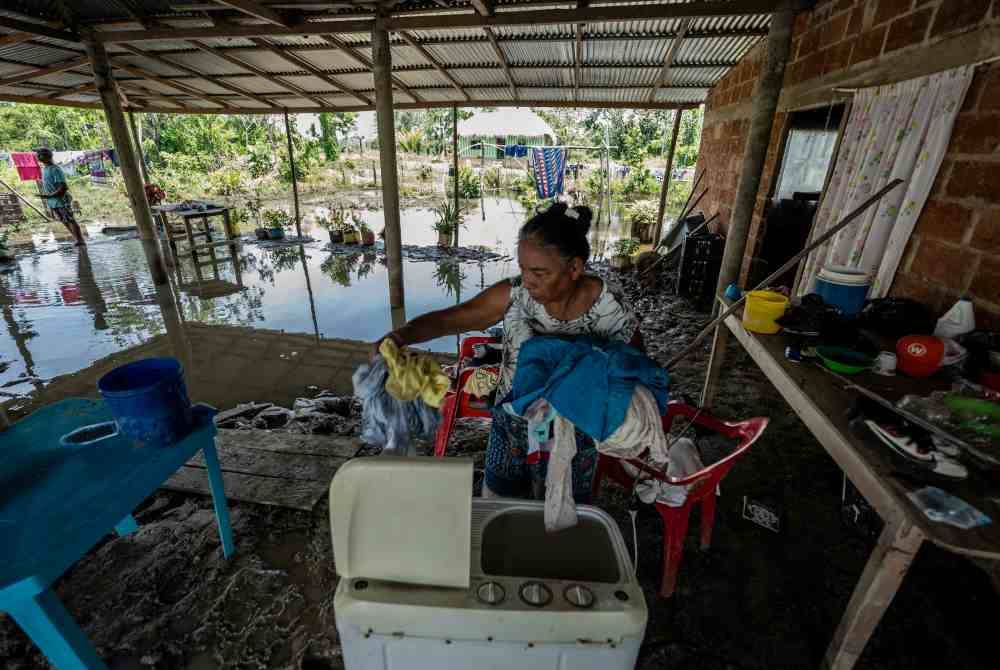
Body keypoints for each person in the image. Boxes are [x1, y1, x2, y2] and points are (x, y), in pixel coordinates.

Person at [373, 202, 642, 501]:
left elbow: (635, 371)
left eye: (539, 272)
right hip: (511, 420)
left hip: (573, 433)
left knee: (560, 511)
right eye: (524, 268)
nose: (528, 280)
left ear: (575, 268)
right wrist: (401, 335)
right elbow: (452, 318)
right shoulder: (516, 295)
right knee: (498, 502)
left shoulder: (610, 309)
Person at [35, 148, 85, 246]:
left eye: (40, 155)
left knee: (70, 220)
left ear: (48, 156)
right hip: (53, 201)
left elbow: (63, 188)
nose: (38, 157)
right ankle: (77, 239)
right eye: (38, 155)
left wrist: (49, 196)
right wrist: (49, 197)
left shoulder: (55, 169)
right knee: (64, 221)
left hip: (61, 200)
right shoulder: (45, 169)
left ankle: (80, 240)